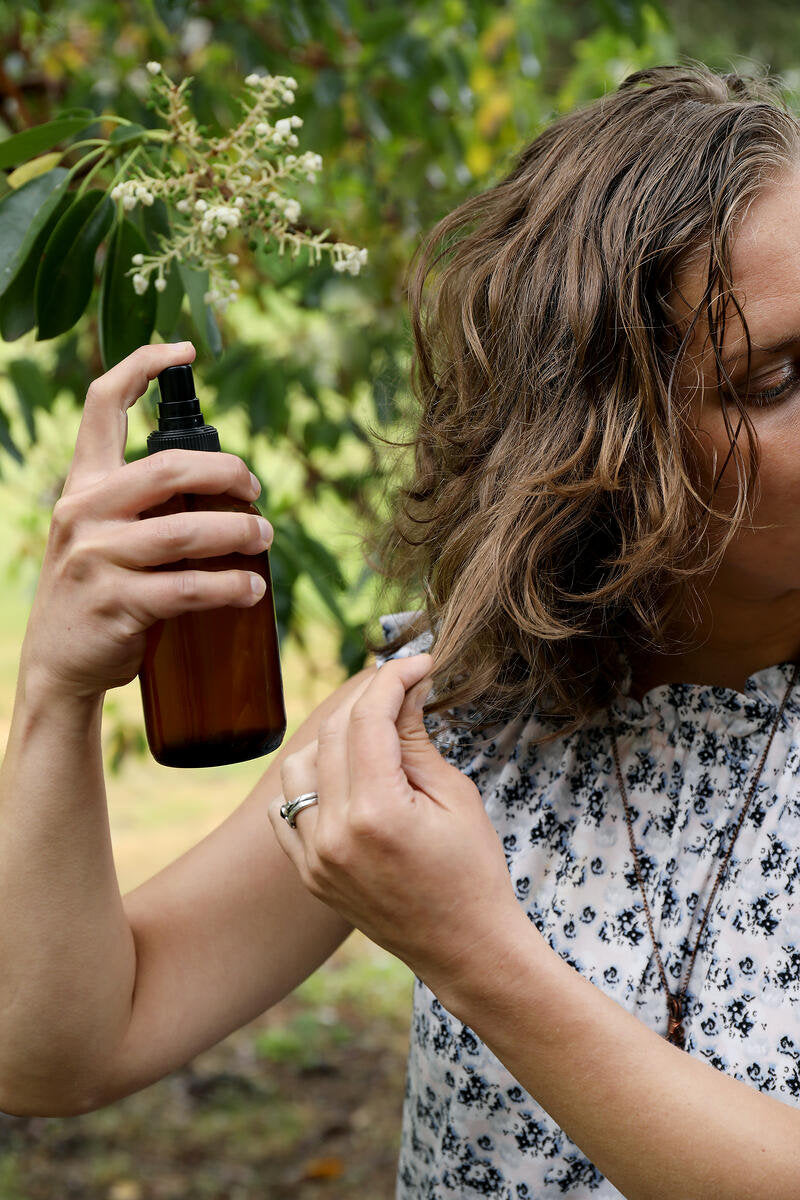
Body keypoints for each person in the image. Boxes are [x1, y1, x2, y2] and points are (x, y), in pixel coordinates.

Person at [1, 59, 800, 1199]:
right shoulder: (451, 716)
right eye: (772, 378)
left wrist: (473, 951)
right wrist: (56, 692)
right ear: (599, 443)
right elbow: (59, 1048)